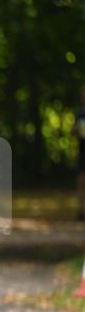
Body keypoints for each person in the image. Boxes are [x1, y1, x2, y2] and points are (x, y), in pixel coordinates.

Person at [73, 86, 85, 222]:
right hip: (82, 150)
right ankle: (81, 211)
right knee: (81, 181)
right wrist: (76, 129)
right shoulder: (80, 113)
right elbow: (73, 131)